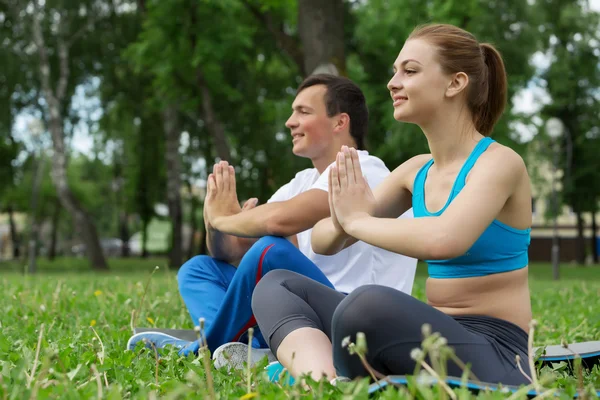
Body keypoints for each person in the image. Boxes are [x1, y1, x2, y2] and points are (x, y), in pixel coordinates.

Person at [252, 23, 533, 387]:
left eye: (410, 71)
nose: (392, 82)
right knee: (277, 284)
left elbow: (445, 239)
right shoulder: (415, 171)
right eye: (395, 71)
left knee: (365, 305)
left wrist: (355, 221)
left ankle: (337, 375)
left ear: (455, 83)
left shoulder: (499, 163)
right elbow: (323, 240)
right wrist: (343, 218)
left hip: (497, 351)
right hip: (429, 335)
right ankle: (321, 382)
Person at [126, 74, 418, 368]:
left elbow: (278, 223)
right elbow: (231, 249)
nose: (290, 122)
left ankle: (201, 350)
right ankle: (242, 349)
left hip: (355, 316)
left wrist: (225, 219)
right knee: (199, 269)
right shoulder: (303, 181)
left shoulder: (362, 170)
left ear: (339, 122)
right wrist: (214, 221)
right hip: (296, 305)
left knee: (270, 251)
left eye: (303, 112)